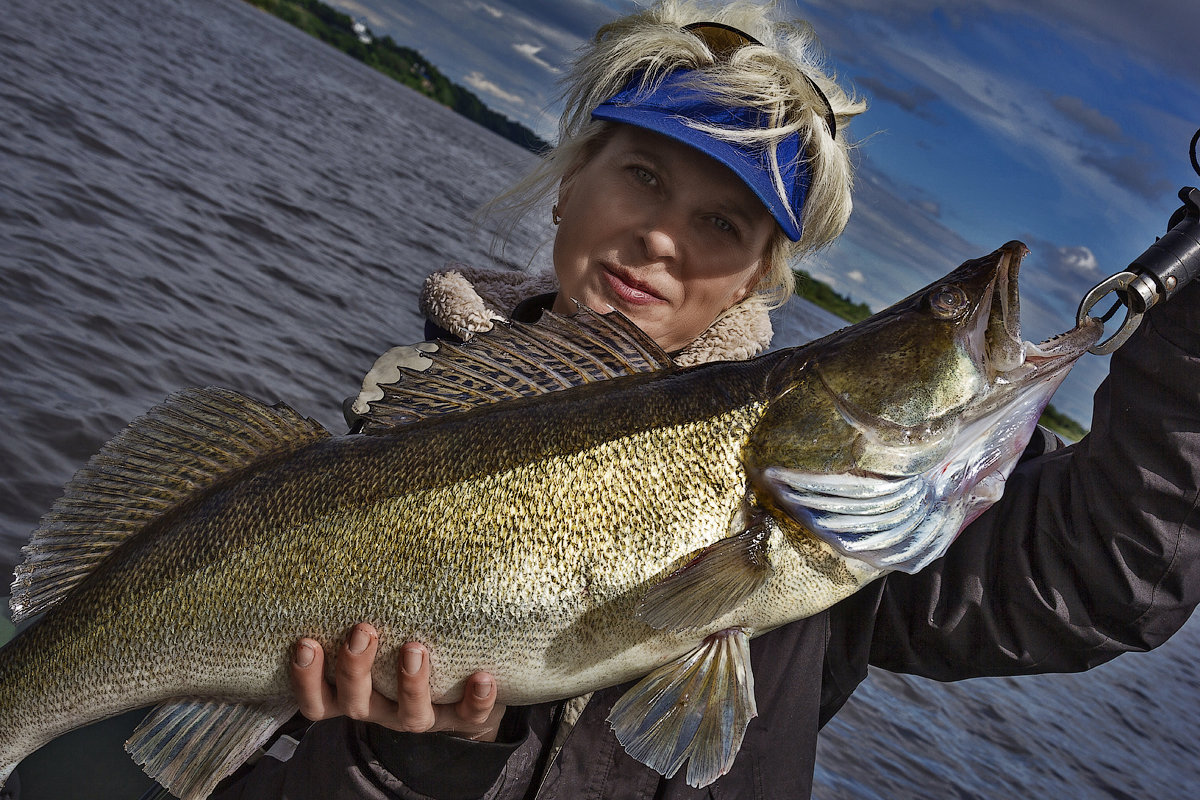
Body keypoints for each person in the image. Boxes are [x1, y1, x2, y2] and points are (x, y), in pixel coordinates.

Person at [212, 1, 1200, 798]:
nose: (662, 238)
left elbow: (1104, 566)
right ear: (570, 182)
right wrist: (415, 764)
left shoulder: (847, 522)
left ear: (759, 279)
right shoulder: (399, 416)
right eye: (642, 174)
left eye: (721, 221)